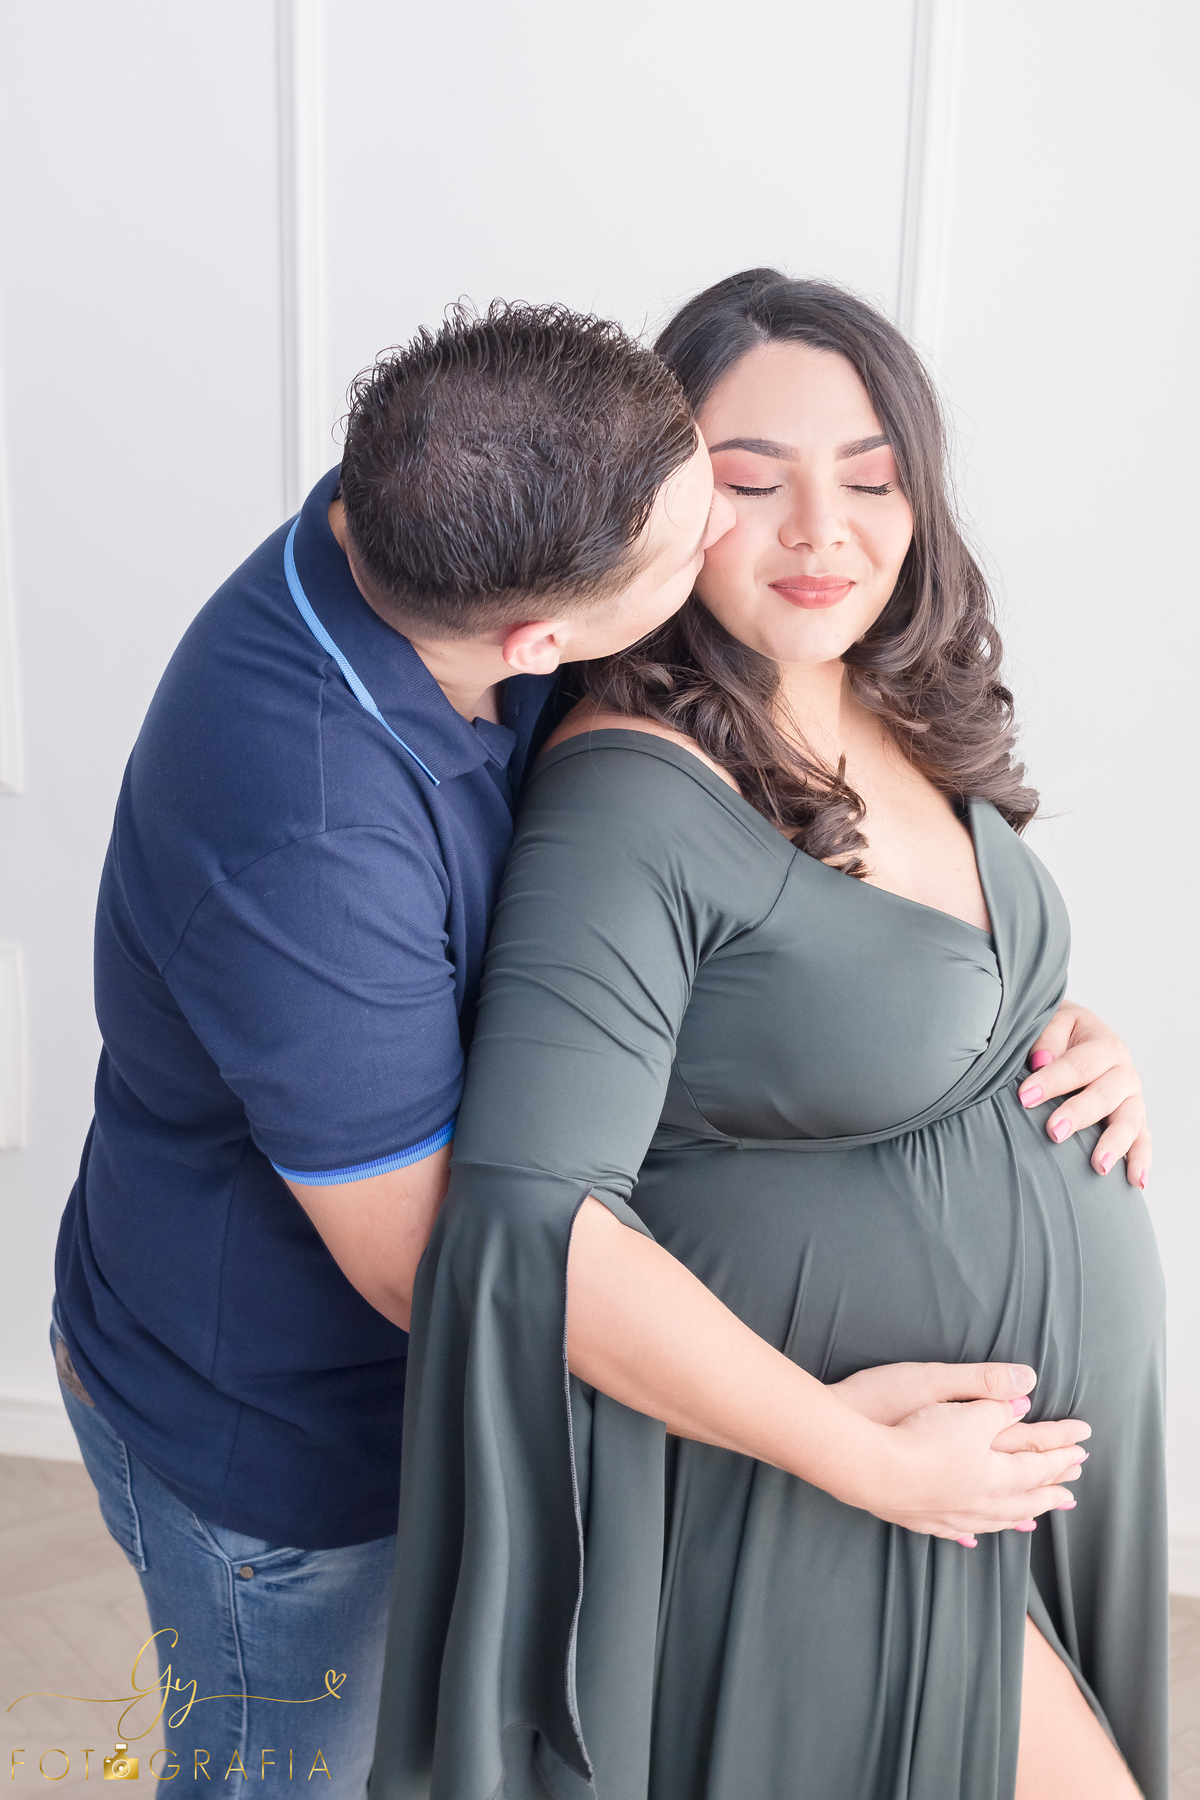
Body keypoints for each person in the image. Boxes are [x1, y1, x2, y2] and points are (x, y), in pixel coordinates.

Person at [368, 274, 1166, 1800]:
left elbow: (851, 1013)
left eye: (871, 479)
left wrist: (1059, 1039)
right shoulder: (631, 799)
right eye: (752, 483)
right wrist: (860, 1458)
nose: (825, 531)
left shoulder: (894, 700)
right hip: (825, 1480)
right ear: (664, 509)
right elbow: (531, 1221)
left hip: (982, 1472)